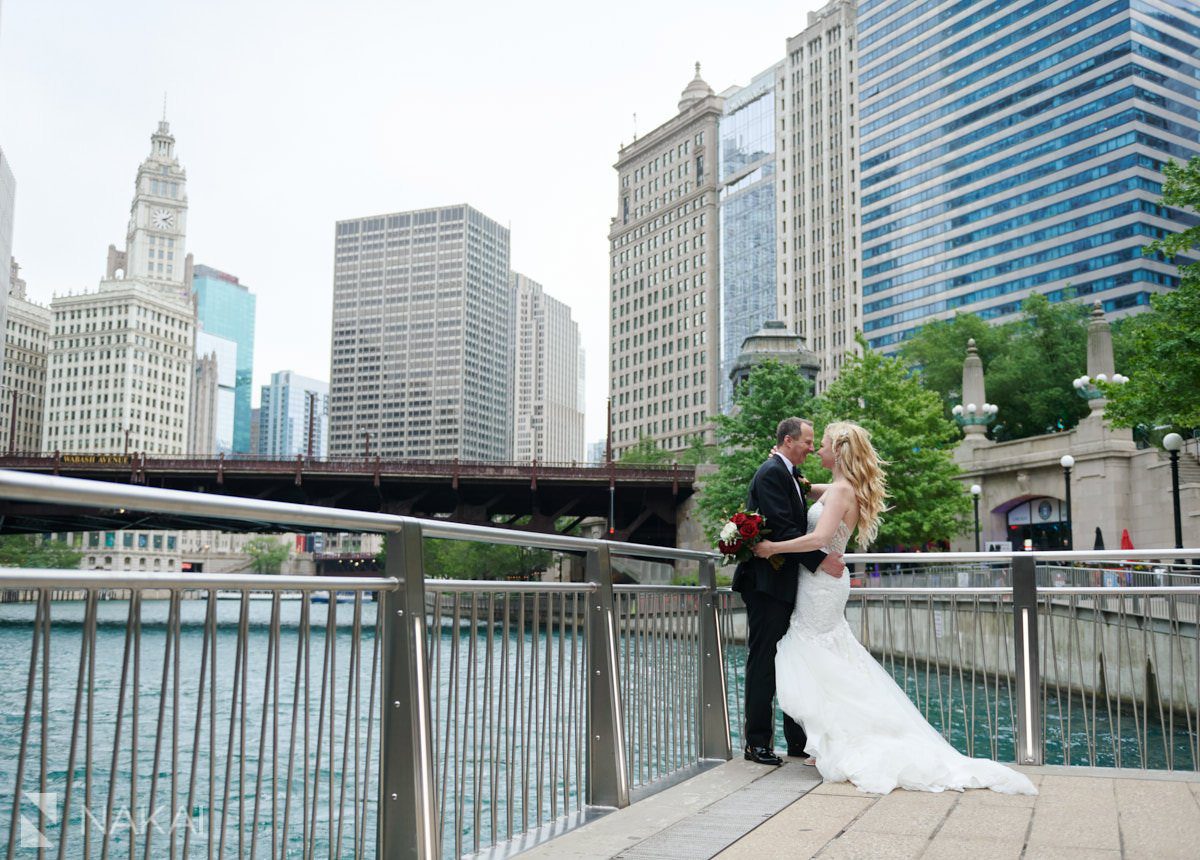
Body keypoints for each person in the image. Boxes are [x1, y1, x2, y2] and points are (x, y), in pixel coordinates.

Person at [753, 421, 1037, 795]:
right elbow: (811, 491)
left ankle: (835, 738)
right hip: (822, 583)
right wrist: (798, 482)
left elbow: (821, 537)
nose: (816, 450)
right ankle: (824, 737)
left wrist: (772, 547)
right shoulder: (841, 488)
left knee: (813, 652)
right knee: (829, 654)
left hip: (822, 584)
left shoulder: (841, 491)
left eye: (821, 445)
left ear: (837, 452)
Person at [732, 417, 845, 766]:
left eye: (815, 443)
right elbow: (781, 527)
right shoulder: (771, 473)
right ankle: (757, 743)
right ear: (787, 440)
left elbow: (794, 517)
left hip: (785, 583)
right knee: (764, 661)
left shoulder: (789, 474)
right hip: (766, 584)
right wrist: (820, 560)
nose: (812, 448)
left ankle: (797, 741)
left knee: (791, 659)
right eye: (807, 442)